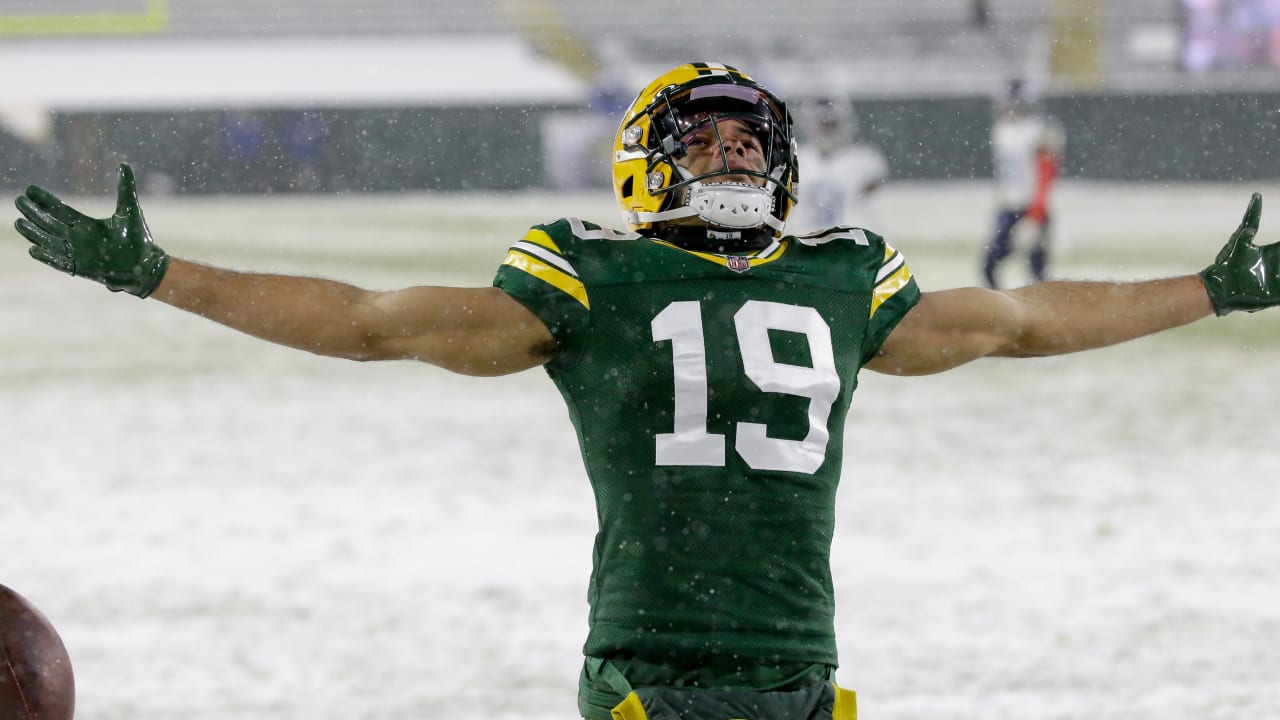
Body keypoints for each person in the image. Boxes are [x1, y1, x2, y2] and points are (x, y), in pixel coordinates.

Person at [11, 62, 1279, 720]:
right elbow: (368, 323)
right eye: (702, 135)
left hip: (797, 667)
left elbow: (1015, 321)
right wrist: (158, 270)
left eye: (747, 137)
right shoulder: (588, 274)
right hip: (647, 670)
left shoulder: (845, 276)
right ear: (644, 165)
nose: (730, 148)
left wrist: (1207, 292)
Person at [982, 78, 1066, 289]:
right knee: (990, 265)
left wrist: (1036, 212)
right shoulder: (1001, 130)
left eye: (1011, 103)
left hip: (1032, 205)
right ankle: (1001, 308)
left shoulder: (1040, 130)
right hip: (1008, 205)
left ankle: (1043, 314)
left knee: (1037, 270)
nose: (1007, 108)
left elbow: (1046, 174)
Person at [789, 95, 889, 235]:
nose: (828, 130)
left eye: (832, 124)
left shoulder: (864, 161)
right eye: (823, 124)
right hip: (805, 242)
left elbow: (874, 206)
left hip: (850, 244)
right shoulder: (796, 159)